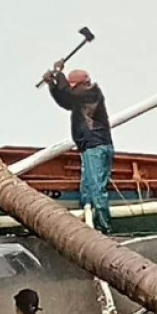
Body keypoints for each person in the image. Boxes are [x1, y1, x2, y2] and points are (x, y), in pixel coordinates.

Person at [43, 62, 114, 233]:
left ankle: (104, 227)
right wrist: (52, 85)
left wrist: (58, 74)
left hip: (95, 146)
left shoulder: (90, 92)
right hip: (90, 147)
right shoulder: (83, 97)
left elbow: (69, 94)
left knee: (96, 187)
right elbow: (66, 100)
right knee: (88, 187)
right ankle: (88, 222)